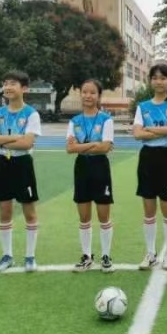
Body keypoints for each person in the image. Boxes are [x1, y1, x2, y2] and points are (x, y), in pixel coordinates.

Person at [0, 70, 42, 273]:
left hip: (22, 163)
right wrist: (14, 138)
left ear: (24, 88)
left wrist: (0, 139)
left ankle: (30, 256)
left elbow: (26, 143)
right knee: (4, 210)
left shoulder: (31, 114)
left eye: (13, 83)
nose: (7, 87)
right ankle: (7, 256)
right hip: (3, 162)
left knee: (29, 211)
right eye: (5, 83)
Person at [132, 64, 167, 271]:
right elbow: (137, 134)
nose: (159, 81)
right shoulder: (142, 107)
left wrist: (149, 129)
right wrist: (162, 130)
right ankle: (151, 253)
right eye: (155, 78)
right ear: (150, 81)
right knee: (148, 209)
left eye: (163, 78)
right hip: (147, 158)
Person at [67, 79, 115, 273]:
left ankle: (106, 256)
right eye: (85, 92)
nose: (88, 95)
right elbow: (70, 149)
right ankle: (87, 256)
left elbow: (105, 147)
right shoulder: (74, 121)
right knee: (84, 216)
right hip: (82, 167)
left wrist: (82, 146)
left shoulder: (106, 119)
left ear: (99, 96)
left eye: (92, 92)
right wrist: (93, 144)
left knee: (103, 215)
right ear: (81, 94)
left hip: (100, 167)